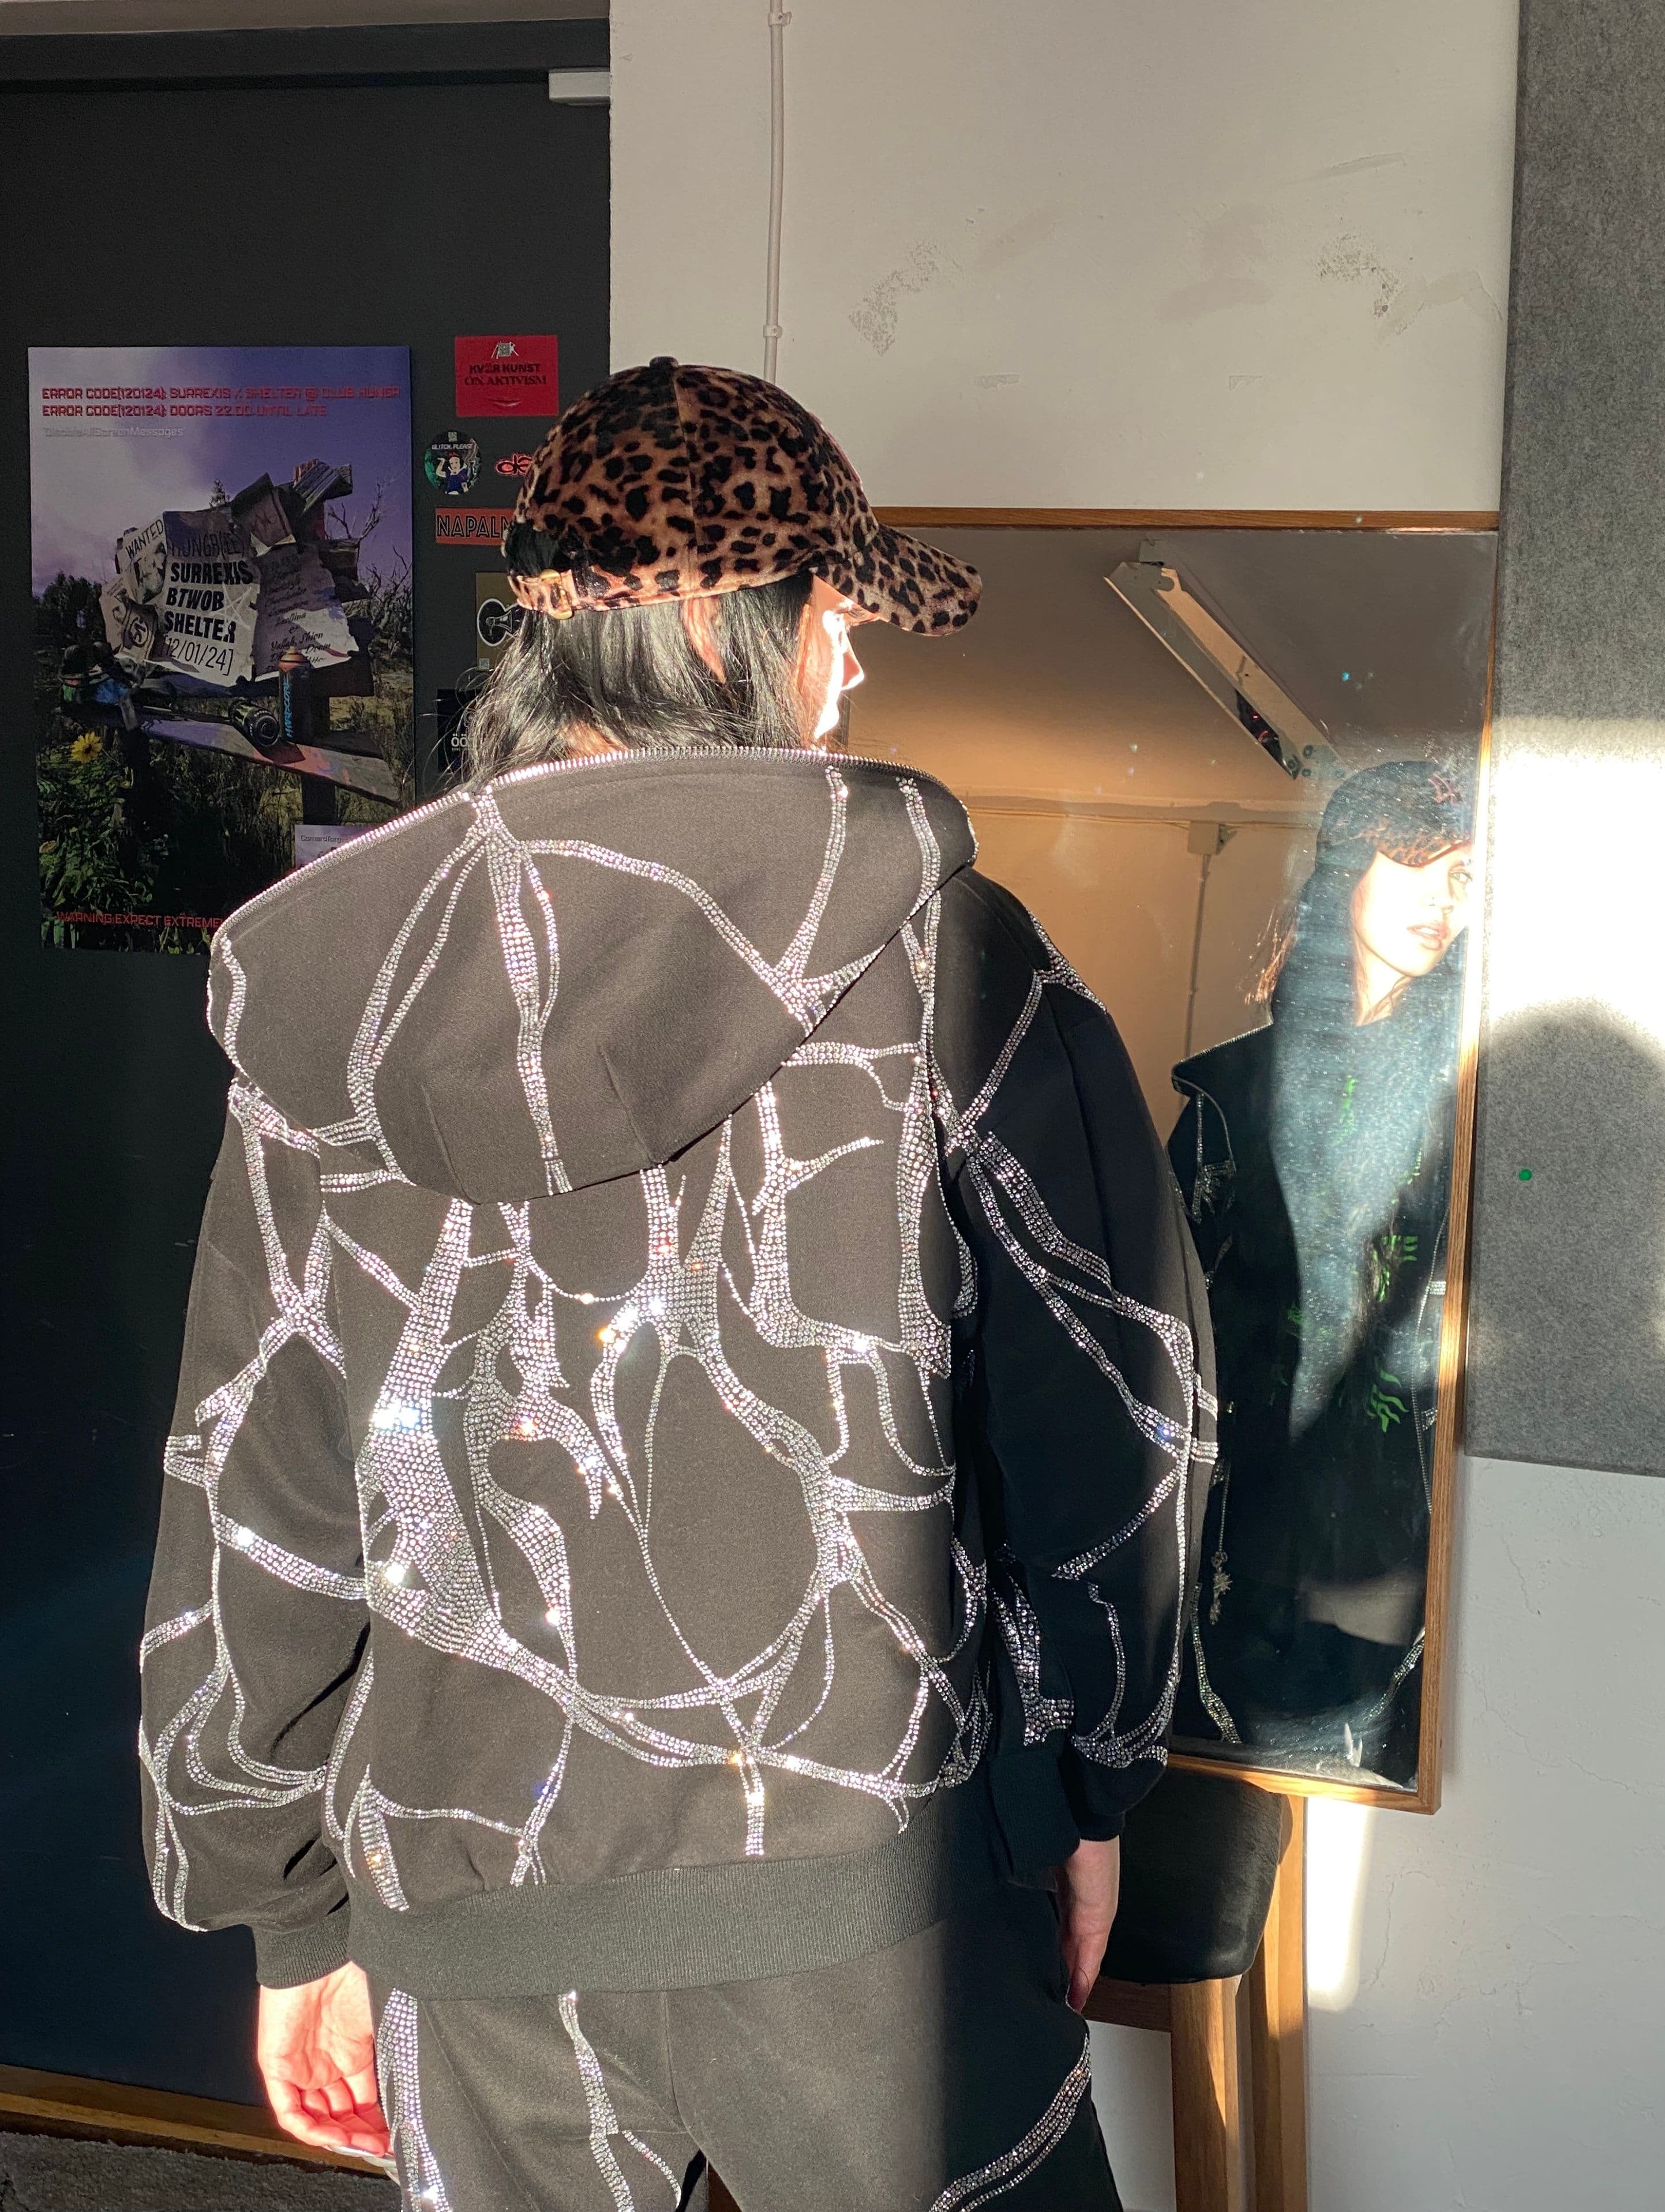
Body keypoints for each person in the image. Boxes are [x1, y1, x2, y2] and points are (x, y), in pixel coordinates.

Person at [140, 359, 1216, 2211]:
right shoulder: (948, 960)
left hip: (473, 1915)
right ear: (734, 629)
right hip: (869, 1911)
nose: (853, 668)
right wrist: (1089, 1786)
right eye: (838, 616)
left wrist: (285, 1906)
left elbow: (261, 1476)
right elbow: (1111, 1415)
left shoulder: (340, 1003)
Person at [1167, 759, 1472, 1786]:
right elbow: (1159, 1319)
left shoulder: (1472, 1096)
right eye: (1416, 859)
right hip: (1239, 1513)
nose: (1442, 899)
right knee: (1222, 1804)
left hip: (1394, 1528)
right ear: (1347, 865)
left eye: (1465, 877)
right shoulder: (1234, 1090)